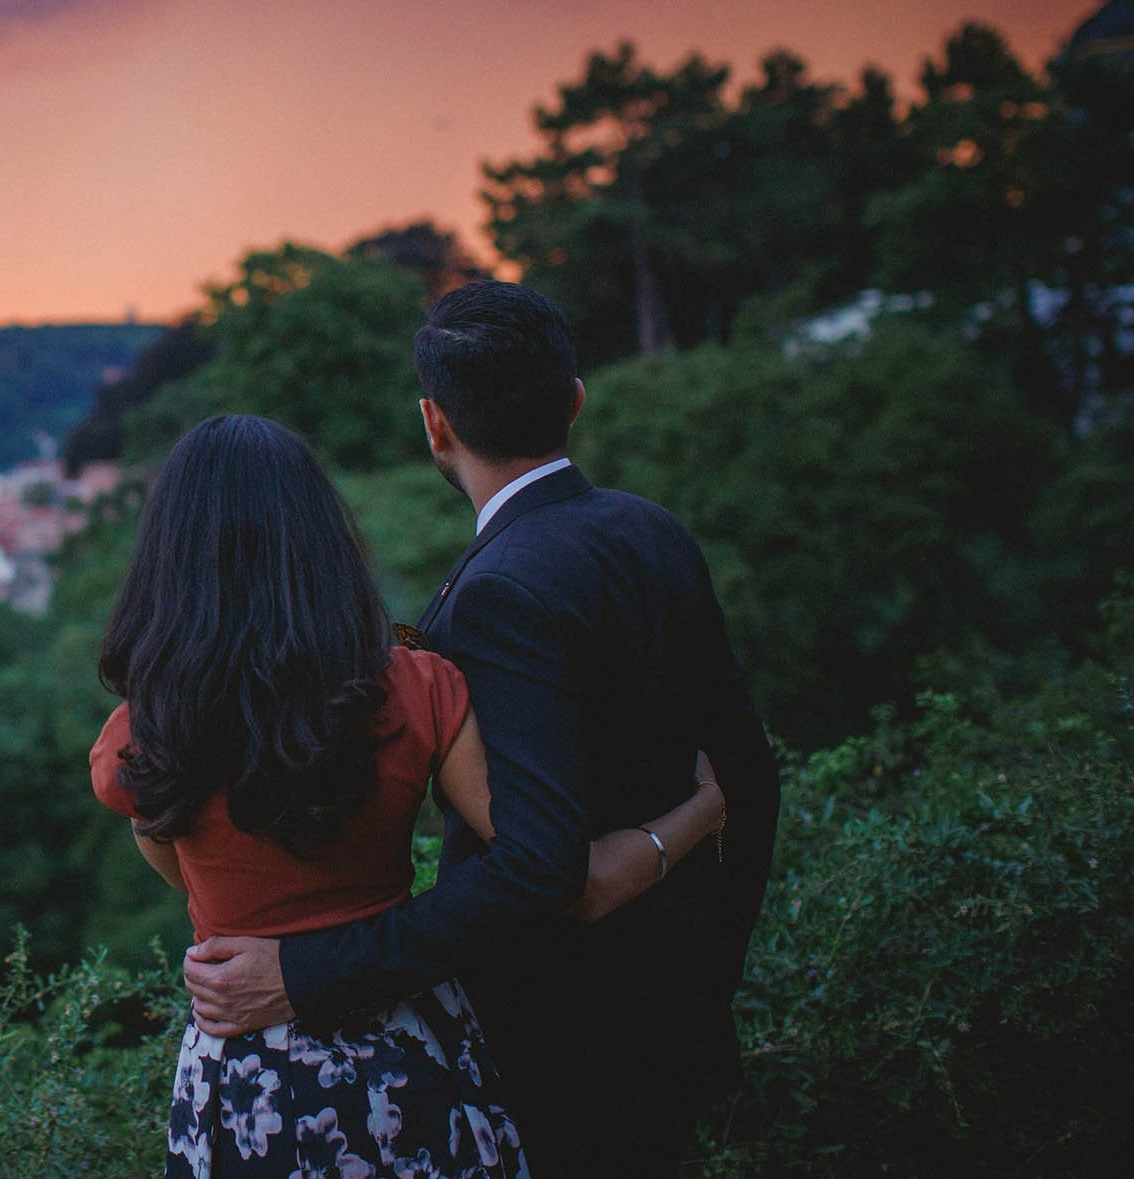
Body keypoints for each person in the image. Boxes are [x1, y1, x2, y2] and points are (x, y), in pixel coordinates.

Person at [180, 283, 780, 1177]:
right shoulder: (654, 530)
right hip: (677, 1017)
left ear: (435, 423)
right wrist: (708, 965)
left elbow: (539, 865)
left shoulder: (495, 596)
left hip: (557, 1050)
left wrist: (306, 973)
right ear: (575, 397)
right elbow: (748, 774)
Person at [91, 412, 729, 1177]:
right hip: (406, 1043)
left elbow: (176, 862)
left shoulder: (140, 736)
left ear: (170, 556)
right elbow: (542, 860)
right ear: (320, 539)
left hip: (249, 1066)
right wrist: (694, 813)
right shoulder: (419, 687)